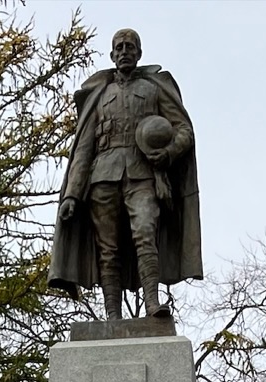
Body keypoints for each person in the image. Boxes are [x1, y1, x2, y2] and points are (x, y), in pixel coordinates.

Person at [50, 28, 201, 322]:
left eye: (130, 46)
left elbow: (185, 130)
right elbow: (84, 149)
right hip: (102, 179)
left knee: (145, 233)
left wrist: (168, 153)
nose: (124, 51)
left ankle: (153, 303)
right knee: (108, 250)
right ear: (111, 55)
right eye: (119, 47)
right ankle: (113, 317)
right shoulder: (101, 94)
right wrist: (71, 194)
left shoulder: (155, 89)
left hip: (143, 175)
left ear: (139, 53)